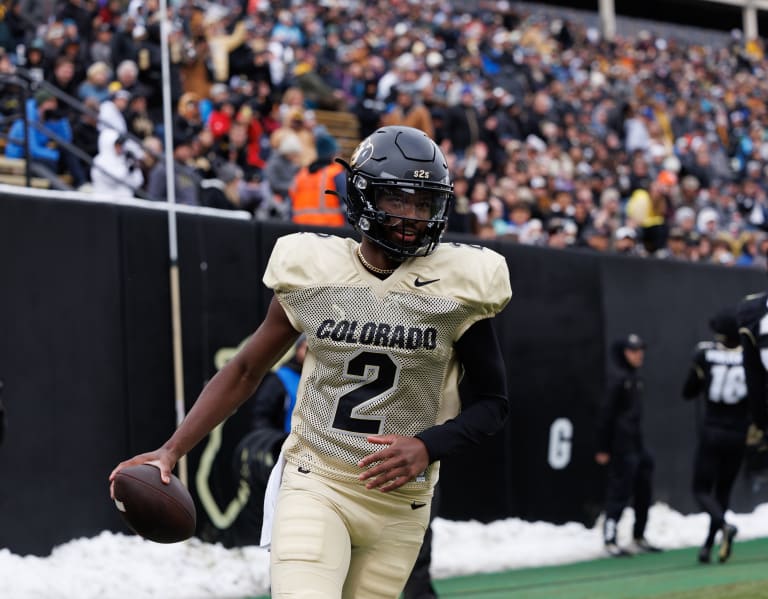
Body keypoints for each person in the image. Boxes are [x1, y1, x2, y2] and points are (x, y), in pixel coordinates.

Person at [110, 125, 512, 599]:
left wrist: (427, 446)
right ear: (364, 198)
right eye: (398, 200)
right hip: (317, 478)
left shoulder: (461, 284)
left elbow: (493, 403)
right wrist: (172, 449)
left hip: (400, 501)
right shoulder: (315, 272)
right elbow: (244, 370)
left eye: (423, 204)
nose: (412, 217)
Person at [682, 307, 747, 564]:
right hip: (739, 432)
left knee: (700, 489)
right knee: (723, 492)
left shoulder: (704, 354)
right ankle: (708, 545)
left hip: (713, 430)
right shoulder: (750, 355)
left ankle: (722, 525)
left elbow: (688, 391)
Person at [595, 333, 662, 557]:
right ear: (623, 353)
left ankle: (639, 535)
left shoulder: (635, 379)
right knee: (619, 493)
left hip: (637, 445)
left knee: (644, 490)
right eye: (633, 351)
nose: (639, 355)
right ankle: (610, 539)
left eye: (640, 350)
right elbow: (605, 416)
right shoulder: (617, 380)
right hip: (621, 448)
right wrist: (603, 448)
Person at [288, 131, 346, 227]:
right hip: (331, 232)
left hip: (301, 231)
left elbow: (290, 206)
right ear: (333, 155)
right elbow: (346, 205)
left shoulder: (301, 174)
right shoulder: (336, 174)